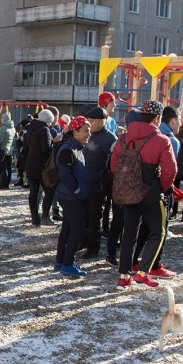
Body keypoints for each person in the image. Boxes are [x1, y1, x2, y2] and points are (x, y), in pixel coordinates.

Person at [110, 101, 177, 288]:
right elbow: (170, 171)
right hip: (150, 192)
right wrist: (160, 188)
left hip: (129, 192)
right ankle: (143, 272)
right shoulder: (162, 140)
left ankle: (124, 276)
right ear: (157, 118)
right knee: (158, 231)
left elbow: (114, 165)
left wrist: (126, 183)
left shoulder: (123, 138)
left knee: (129, 232)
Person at [53, 116, 91, 277]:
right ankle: (68, 263)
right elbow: (65, 174)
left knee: (67, 229)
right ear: (75, 132)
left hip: (71, 195)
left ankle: (60, 261)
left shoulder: (78, 147)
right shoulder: (68, 149)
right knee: (78, 229)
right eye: (85, 131)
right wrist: (77, 191)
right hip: (69, 196)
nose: (89, 134)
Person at [79, 106, 116, 259]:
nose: (89, 123)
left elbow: (111, 164)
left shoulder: (110, 139)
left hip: (98, 186)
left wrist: (100, 178)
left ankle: (94, 248)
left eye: (92, 121)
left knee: (95, 218)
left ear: (102, 121)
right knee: (83, 216)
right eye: (88, 120)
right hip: (83, 183)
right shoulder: (88, 135)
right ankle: (84, 242)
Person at [23, 109, 55, 226]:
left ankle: (34, 218)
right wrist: (54, 142)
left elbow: (26, 147)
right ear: (48, 121)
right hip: (41, 166)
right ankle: (45, 216)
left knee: (33, 192)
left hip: (30, 164)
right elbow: (46, 149)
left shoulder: (31, 128)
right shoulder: (44, 130)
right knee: (49, 191)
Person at [0, 112, 15, 189]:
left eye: (2, 118)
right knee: (9, 168)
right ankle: (7, 184)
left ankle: (3, 184)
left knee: (3, 168)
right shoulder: (12, 128)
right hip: (9, 150)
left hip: (2, 150)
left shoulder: (3, 128)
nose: (1, 119)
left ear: (4, 119)